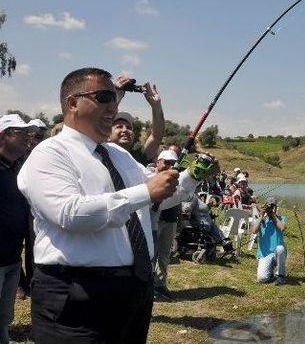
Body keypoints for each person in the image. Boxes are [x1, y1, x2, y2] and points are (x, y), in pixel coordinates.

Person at [17, 67, 201, 343]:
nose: (113, 106)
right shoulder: (49, 154)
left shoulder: (118, 155)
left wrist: (191, 178)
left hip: (133, 289)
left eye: (115, 99)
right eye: (104, 96)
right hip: (77, 294)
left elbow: (155, 198)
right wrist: (145, 192)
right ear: (72, 103)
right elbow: (70, 214)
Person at [0, 114, 33, 344]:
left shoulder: (18, 168)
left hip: (12, 257)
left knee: (4, 316)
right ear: (3, 135)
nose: (27, 138)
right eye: (21, 133)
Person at [15, 118, 48, 300]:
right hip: (15, 207)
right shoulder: (18, 156)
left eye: (40, 136)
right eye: (34, 136)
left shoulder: (43, 154)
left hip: (33, 207)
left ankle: (31, 280)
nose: (36, 140)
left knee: (33, 243)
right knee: (15, 245)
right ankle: (20, 282)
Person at [110, 77, 165, 165]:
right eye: (119, 126)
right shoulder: (100, 152)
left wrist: (156, 106)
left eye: (129, 128)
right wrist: (117, 93)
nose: (125, 130)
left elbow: (156, 136)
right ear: (108, 134)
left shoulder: (138, 157)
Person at [152, 149, 181, 301]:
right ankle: (148, 286)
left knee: (164, 255)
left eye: (173, 163)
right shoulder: (150, 177)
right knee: (151, 254)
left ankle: (160, 284)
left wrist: (179, 220)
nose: (170, 166)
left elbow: (181, 199)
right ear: (158, 162)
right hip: (154, 221)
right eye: (166, 162)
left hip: (171, 220)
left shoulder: (177, 178)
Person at [250, 197, 287, 285]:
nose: (271, 208)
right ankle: (270, 273)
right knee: (262, 278)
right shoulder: (261, 220)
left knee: (280, 248)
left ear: (276, 207)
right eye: (269, 206)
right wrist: (261, 216)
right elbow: (254, 231)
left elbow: (281, 228)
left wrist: (272, 215)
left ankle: (281, 276)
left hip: (278, 253)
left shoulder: (281, 218)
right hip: (265, 254)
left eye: (273, 206)